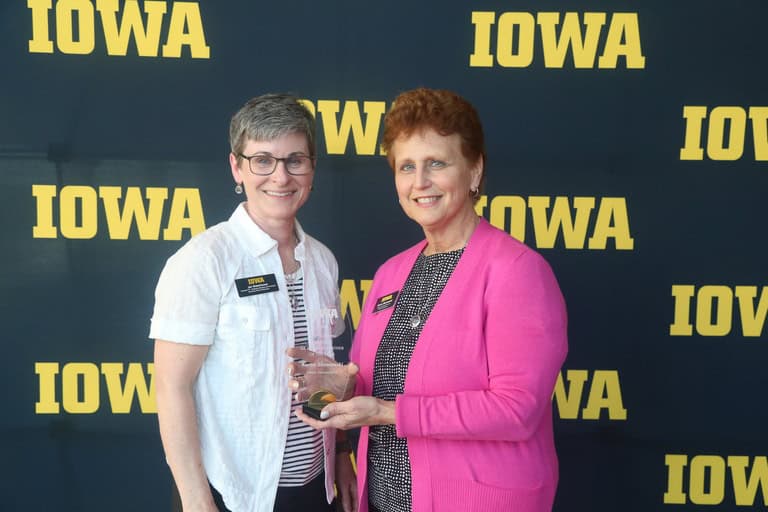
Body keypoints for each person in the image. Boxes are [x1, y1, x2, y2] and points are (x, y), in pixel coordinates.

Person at [292, 88, 568, 512]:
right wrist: (334, 384)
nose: (419, 182)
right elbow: (376, 380)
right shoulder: (392, 273)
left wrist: (388, 412)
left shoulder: (516, 271)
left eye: (436, 163)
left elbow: (516, 410)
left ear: (474, 171)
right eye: (406, 167)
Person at [149, 93, 356, 512]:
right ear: (237, 167)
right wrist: (196, 500)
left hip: (316, 490)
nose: (280, 177)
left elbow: (325, 372)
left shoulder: (323, 261)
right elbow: (172, 387)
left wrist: (339, 458)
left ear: (312, 167)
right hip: (233, 493)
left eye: (295, 160)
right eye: (263, 160)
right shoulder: (204, 260)